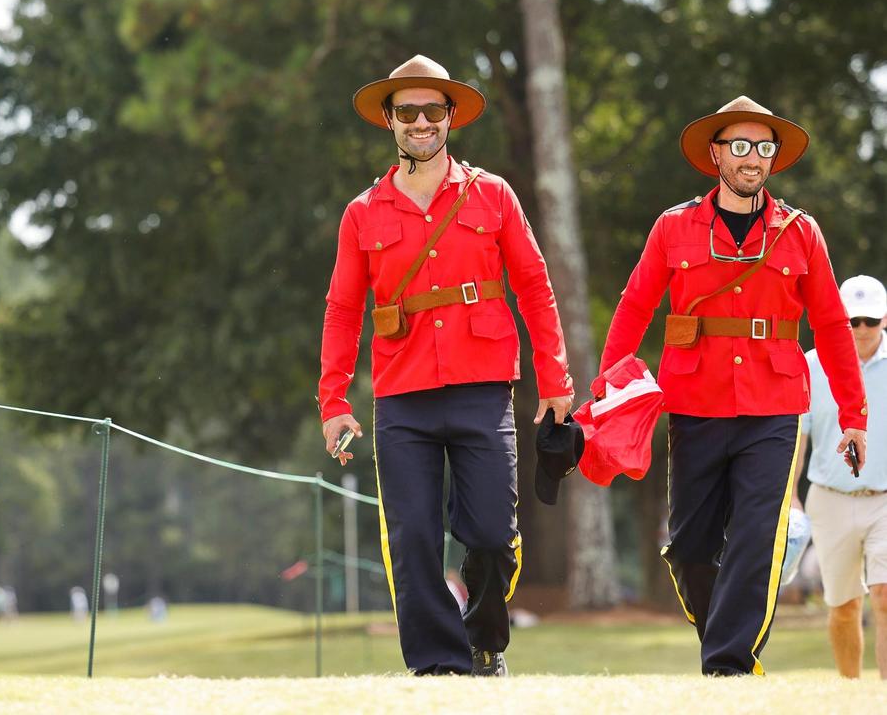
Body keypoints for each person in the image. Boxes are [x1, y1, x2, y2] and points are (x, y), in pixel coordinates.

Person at [318, 55, 574, 676]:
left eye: (433, 110)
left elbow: (535, 286)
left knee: (490, 532)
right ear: (390, 121)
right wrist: (333, 401)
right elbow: (343, 309)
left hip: (484, 388)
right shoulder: (363, 212)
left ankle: (484, 639)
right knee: (411, 539)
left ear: (450, 117)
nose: (421, 122)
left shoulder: (493, 193)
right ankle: (438, 666)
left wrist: (556, 379)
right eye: (408, 111)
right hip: (402, 396)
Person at [596, 96, 867, 676]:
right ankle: (723, 636)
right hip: (694, 404)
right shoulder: (673, 227)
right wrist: (609, 389)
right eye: (740, 146)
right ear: (716, 154)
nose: (753, 158)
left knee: (755, 536)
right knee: (689, 546)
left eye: (763, 147)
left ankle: (729, 665)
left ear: (773, 159)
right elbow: (635, 305)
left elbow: (832, 326)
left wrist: (853, 414)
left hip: (775, 409)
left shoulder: (801, 231)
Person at [796, 274, 887, 678]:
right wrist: (790, 497)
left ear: (884, 319)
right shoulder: (812, 366)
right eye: (854, 321)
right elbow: (799, 436)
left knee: (884, 597)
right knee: (844, 606)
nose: (862, 329)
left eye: (871, 320)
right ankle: (851, 694)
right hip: (829, 498)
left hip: (884, 499)